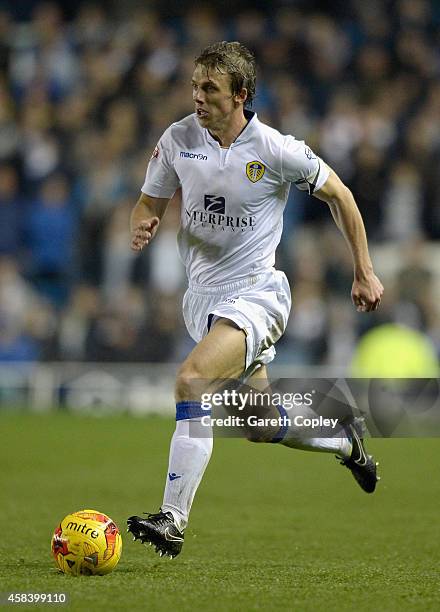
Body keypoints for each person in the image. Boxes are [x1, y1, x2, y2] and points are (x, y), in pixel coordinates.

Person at [127, 41, 384, 559]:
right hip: (202, 302)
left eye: (210, 88)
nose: (197, 97)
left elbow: (342, 195)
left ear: (240, 95)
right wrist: (145, 222)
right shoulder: (178, 139)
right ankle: (343, 438)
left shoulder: (276, 149)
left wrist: (364, 270)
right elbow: (148, 201)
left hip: (258, 296)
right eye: (195, 85)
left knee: (191, 381)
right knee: (262, 425)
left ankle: (172, 518)